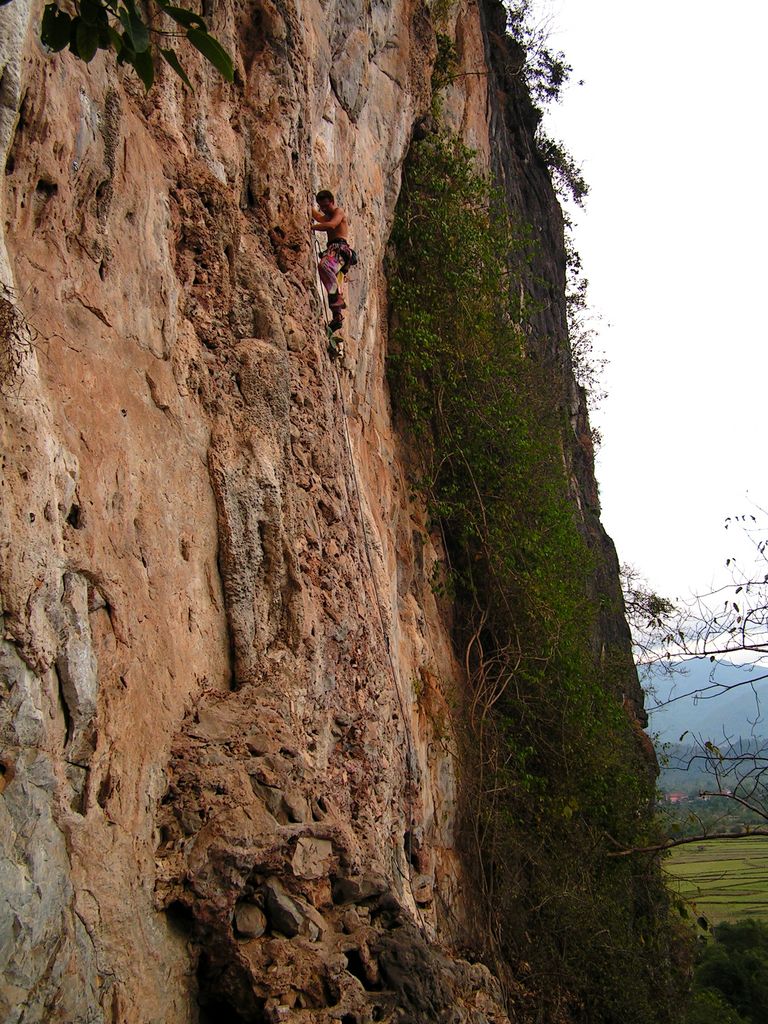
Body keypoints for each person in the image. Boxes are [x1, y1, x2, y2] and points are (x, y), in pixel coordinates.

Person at [312, 190, 353, 332]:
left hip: (340, 248)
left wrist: (311, 227)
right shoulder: (328, 215)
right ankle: (337, 317)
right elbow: (319, 217)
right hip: (335, 251)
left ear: (332, 201)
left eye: (326, 206)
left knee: (324, 266)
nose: (323, 209)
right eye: (321, 207)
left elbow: (331, 225)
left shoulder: (338, 212)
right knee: (332, 283)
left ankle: (338, 299)